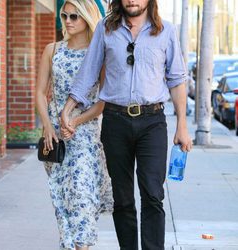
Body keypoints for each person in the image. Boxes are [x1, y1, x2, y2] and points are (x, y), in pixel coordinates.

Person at [61, 0, 192, 249]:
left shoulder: (167, 31)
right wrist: (67, 109)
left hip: (152, 121)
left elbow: (177, 79)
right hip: (115, 121)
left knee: (153, 194)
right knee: (122, 198)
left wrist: (182, 127)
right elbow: (88, 73)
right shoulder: (105, 29)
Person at [35, 1, 113, 250]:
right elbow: (39, 92)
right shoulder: (52, 49)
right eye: (64, 15)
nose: (67, 21)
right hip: (55, 139)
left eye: (74, 16)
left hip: (85, 136)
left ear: (88, 18)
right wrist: (47, 126)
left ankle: (81, 247)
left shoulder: (97, 53)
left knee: (81, 197)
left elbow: (103, 101)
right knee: (62, 200)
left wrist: (77, 121)